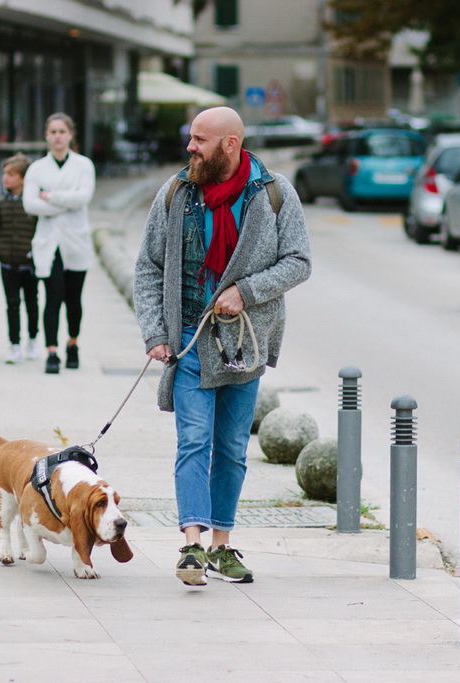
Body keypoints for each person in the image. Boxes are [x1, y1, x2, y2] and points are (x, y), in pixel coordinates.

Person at [133, 106, 312, 586]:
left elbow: (299, 262)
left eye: (199, 139)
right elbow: (149, 266)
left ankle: (222, 546)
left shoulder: (274, 195)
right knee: (193, 441)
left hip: (244, 347)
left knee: (232, 448)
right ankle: (191, 545)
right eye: (190, 138)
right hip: (189, 342)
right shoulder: (175, 193)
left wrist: (245, 292)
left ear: (230, 145)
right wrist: (155, 333)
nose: (190, 147)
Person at [22, 113, 96, 374]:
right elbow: (30, 204)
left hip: (76, 241)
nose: (57, 136)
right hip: (48, 243)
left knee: (73, 298)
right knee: (51, 298)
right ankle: (51, 351)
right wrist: (64, 204)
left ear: (70, 134)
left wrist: (50, 197)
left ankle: (72, 344)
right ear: (46, 135)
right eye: (52, 131)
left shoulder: (84, 165)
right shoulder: (37, 168)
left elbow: (83, 197)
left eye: (62, 131)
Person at [0, 153, 41, 364]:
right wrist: (0, 250)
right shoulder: (1, 204)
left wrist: (33, 253)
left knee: (32, 302)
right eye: (5, 174)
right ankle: (14, 345)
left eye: (11, 174)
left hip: (30, 264)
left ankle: (32, 339)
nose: (6, 178)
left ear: (23, 178)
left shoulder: (33, 204)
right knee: (12, 304)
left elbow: (40, 231)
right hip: (7, 262)